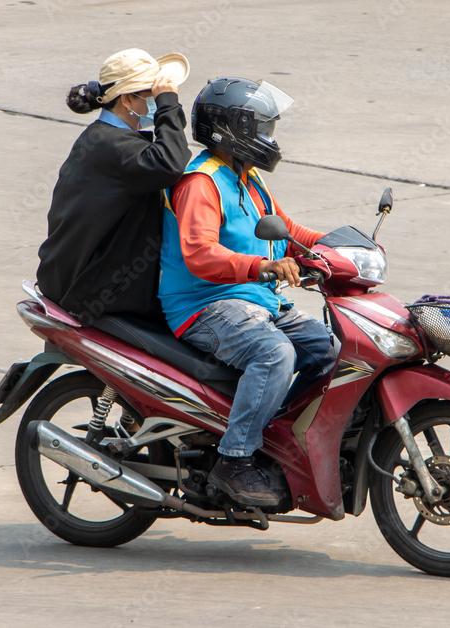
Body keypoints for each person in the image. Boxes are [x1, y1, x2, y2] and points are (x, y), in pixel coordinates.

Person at [159, 78, 337, 506]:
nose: (268, 138)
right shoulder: (201, 183)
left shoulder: (246, 175)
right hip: (207, 305)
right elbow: (200, 255)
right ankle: (234, 460)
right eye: (261, 128)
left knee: (330, 350)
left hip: (258, 300)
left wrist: (336, 246)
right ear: (231, 128)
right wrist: (263, 266)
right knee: (275, 355)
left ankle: (276, 436)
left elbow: (286, 228)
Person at [37, 49, 193, 324]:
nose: (156, 101)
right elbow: (170, 163)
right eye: (152, 95)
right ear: (127, 99)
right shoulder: (116, 147)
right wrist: (169, 104)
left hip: (72, 279)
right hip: (93, 292)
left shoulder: (107, 139)